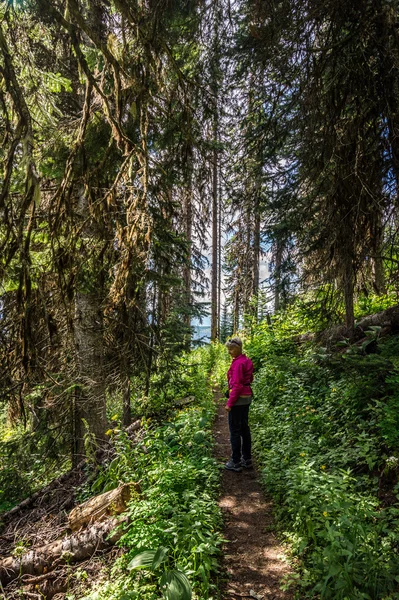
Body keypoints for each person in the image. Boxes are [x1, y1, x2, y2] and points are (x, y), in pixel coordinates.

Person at [224, 337, 254, 472]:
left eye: (231, 349)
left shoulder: (237, 364)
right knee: (244, 428)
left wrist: (229, 403)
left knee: (235, 431)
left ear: (238, 349)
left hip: (238, 400)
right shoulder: (246, 360)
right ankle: (247, 459)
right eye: (228, 349)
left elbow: (236, 385)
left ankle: (235, 461)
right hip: (247, 397)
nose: (229, 352)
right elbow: (250, 378)